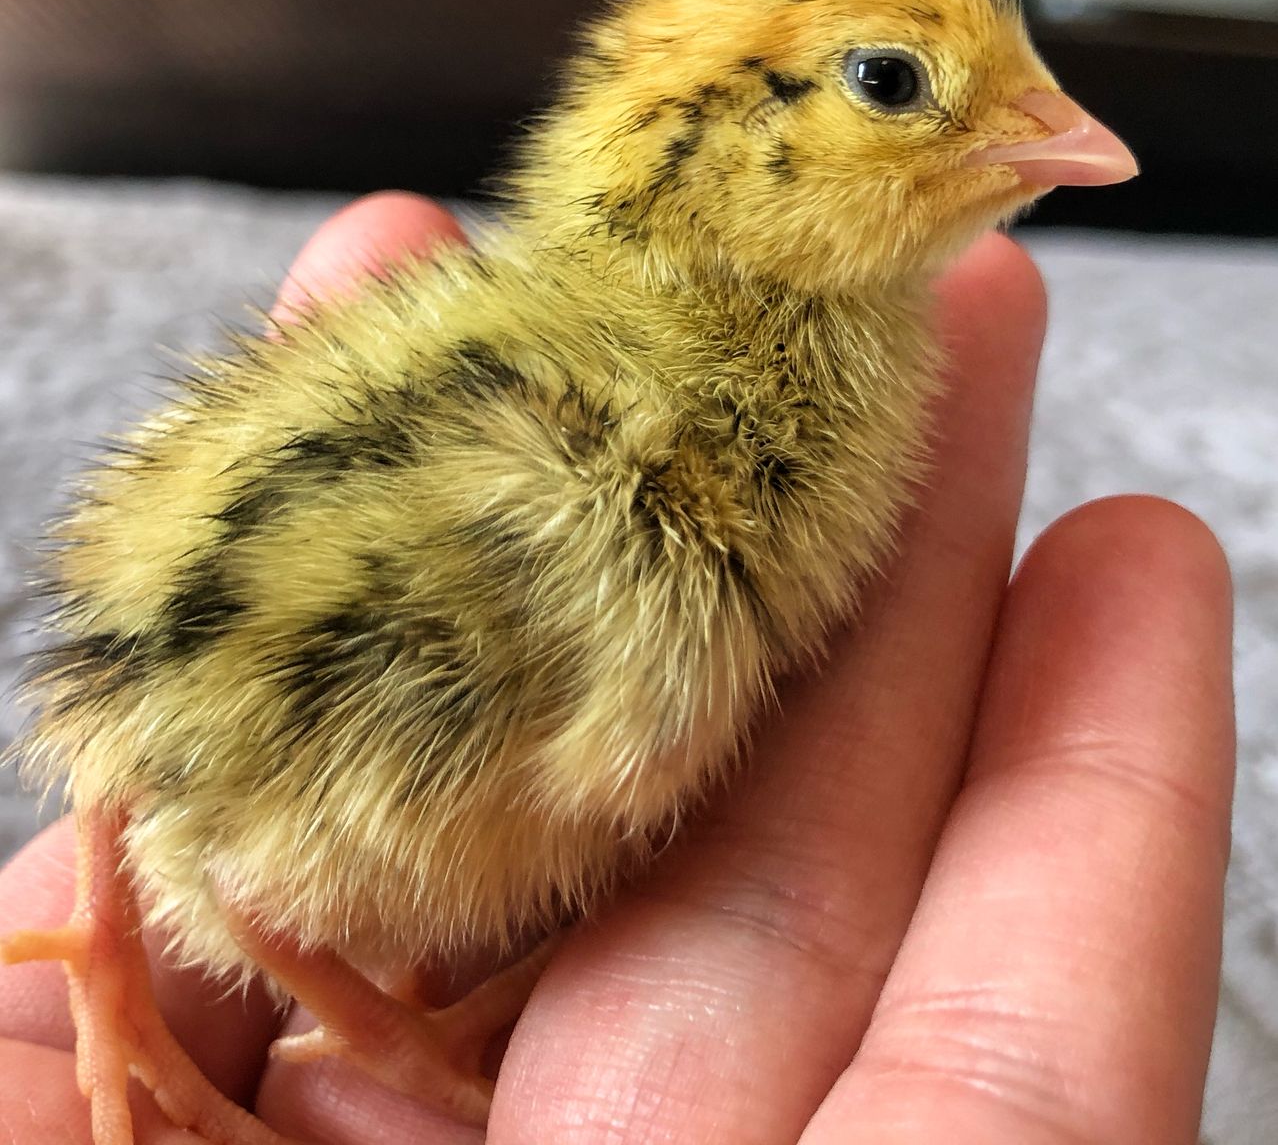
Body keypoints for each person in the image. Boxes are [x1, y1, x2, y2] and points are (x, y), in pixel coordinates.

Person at [0, 193, 1233, 1144]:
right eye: (894, 85)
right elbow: (620, 750)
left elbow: (143, 608)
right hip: (312, 733)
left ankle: (147, 934)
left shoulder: (583, 346)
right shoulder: (658, 467)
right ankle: (327, 1009)